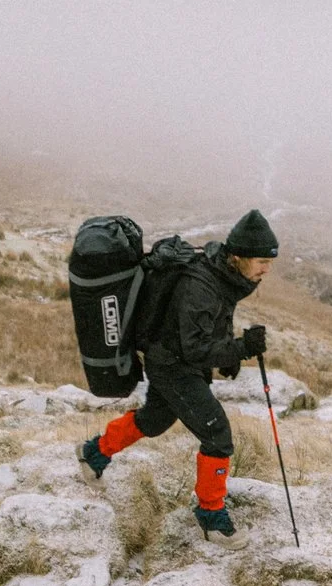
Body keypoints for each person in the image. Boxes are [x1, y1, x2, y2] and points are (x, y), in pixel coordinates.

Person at [78, 209, 278, 536]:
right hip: (173, 366)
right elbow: (195, 347)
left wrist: (227, 351)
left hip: (175, 359)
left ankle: (94, 453)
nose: (266, 270)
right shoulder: (202, 285)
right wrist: (241, 348)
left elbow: (214, 319)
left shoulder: (224, 274)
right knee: (217, 435)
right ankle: (211, 514)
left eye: (270, 262)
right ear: (238, 257)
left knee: (154, 421)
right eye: (261, 262)